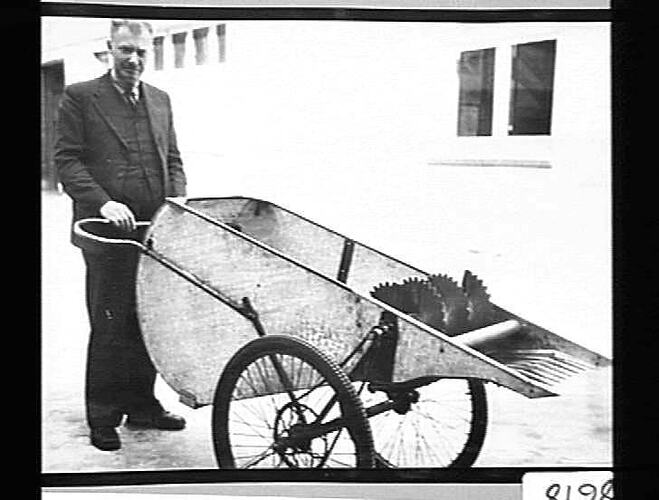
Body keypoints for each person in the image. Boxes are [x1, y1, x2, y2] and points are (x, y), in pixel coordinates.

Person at [54, 19, 188, 451]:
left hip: (154, 232)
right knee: (110, 322)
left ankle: (143, 406)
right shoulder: (80, 97)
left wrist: (178, 203)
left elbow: (173, 159)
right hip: (106, 233)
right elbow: (68, 162)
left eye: (142, 52)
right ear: (109, 48)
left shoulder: (161, 100)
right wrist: (104, 202)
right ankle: (103, 415)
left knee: (147, 321)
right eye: (126, 50)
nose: (134, 59)